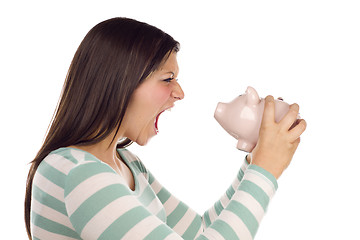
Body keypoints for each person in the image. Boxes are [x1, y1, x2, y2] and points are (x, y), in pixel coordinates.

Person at [24, 17, 306, 240]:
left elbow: (199, 231)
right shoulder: (78, 173)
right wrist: (265, 171)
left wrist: (255, 161)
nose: (180, 92)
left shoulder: (127, 164)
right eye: (167, 78)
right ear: (121, 82)